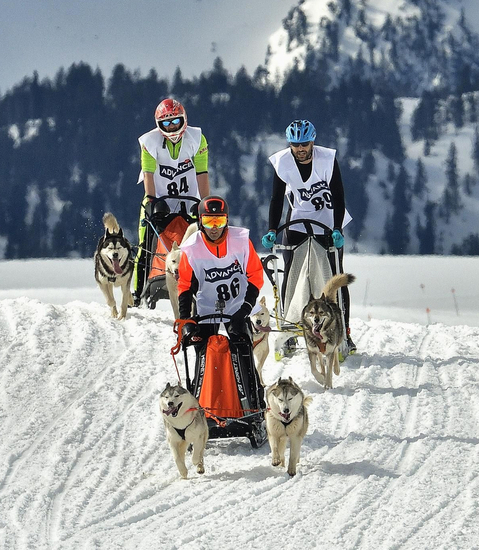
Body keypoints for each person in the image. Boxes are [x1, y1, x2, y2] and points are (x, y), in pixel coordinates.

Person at [262, 119, 356, 354]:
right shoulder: (282, 162)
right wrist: (272, 229)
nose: (300, 149)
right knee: (292, 275)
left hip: (328, 221)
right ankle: (290, 330)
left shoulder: (327, 159)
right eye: (295, 144)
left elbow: (338, 196)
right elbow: (276, 199)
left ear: (312, 142)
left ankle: (344, 331)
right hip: (297, 221)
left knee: (334, 278)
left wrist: (337, 229)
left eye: (304, 144)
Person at [175, 195, 265, 410]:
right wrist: (185, 319)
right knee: (202, 352)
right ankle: (200, 407)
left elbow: (256, 275)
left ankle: (254, 405)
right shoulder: (191, 248)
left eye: (219, 221)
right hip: (207, 307)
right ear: (200, 222)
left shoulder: (241, 241)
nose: (214, 228)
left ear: (227, 220)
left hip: (239, 305)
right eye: (208, 222)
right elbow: (185, 285)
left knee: (243, 349)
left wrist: (245, 309)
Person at [131, 98, 209, 305]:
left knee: (202, 244)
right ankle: (137, 293)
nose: (172, 127)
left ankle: (205, 290)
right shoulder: (149, 142)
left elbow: (202, 173)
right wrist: (151, 201)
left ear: (184, 120)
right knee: (145, 245)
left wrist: (205, 203)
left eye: (176, 121)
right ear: (159, 125)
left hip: (189, 199)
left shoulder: (198, 139)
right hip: (159, 199)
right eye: (166, 124)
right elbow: (148, 173)